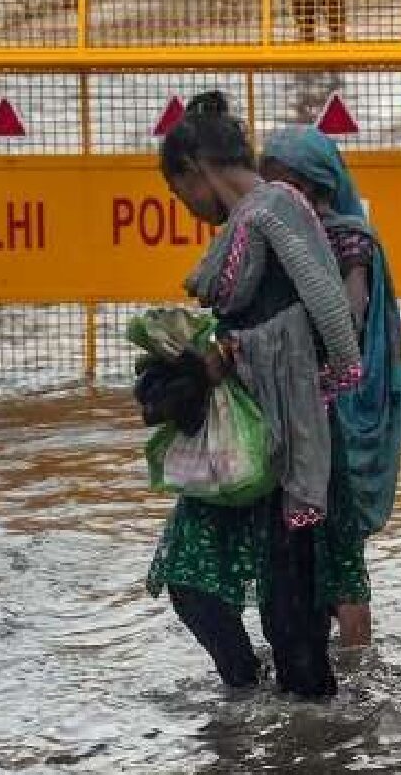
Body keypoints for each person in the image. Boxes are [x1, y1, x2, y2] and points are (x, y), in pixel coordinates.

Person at [145, 93, 365, 699]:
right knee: (205, 587)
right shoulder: (262, 220)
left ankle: (296, 746)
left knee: (288, 612)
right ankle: (253, 700)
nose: (188, 211)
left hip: (291, 441)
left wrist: (231, 354)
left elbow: (326, 322)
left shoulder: (274, 213)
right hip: (250, 437)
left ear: (196, 169)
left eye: (179, 193)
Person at [259, 125, 401, 648]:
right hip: (296, 415)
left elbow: (347, 316)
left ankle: (356, 670)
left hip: (337, 415)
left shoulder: (347, 239)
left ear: (314, 186)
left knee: (341, 556)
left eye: (283, 185)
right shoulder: (277, 234)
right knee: (299, 547)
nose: (271, 197)